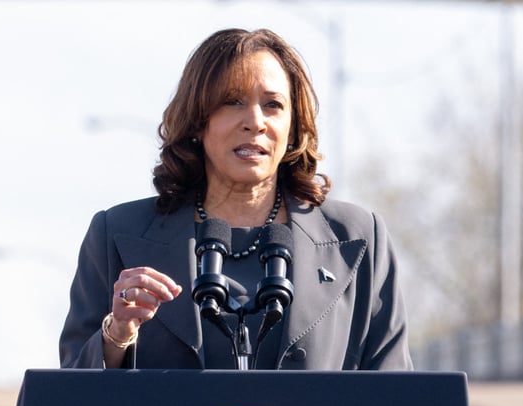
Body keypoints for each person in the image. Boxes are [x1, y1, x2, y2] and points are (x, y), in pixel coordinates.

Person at [59, 28, 412, 371]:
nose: (255, 121)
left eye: (273, 104)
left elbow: (397, 401)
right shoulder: (117, 234)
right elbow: (68, 401)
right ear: (198, 120)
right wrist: (116, 335)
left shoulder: (360, 237)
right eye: (233, 102)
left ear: (293, 126)